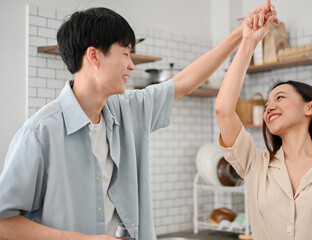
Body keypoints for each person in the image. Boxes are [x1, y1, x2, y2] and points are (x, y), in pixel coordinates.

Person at [0, 3, 277, 240]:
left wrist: (242, 36)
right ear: (94, 56)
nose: (131, 65)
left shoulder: (129, 110)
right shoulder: (40, 133)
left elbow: (184, 81)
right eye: (125, 54)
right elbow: (4, 222)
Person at [215, 4, 312, 240]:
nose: (269, 106)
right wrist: (249, 41)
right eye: (266, 105)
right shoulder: (256, 165)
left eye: (280, 97)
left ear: (310, 107)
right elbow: (223, 109)